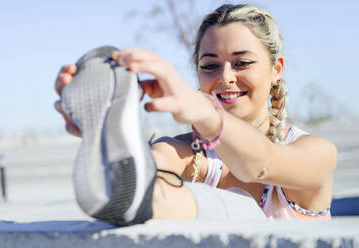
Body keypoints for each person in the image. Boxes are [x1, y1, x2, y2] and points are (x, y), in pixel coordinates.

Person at [54, 4, 337, 225]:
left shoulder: (318, 153)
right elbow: (152, 163)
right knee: (151, 191)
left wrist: (204, 110)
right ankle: (130, 188)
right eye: (210, 66)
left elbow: (260, 164)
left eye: (241, 63)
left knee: (242, 208)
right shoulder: (184, 153)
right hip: (166, 192)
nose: (225, 77)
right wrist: (104, 134)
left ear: (277, 69)